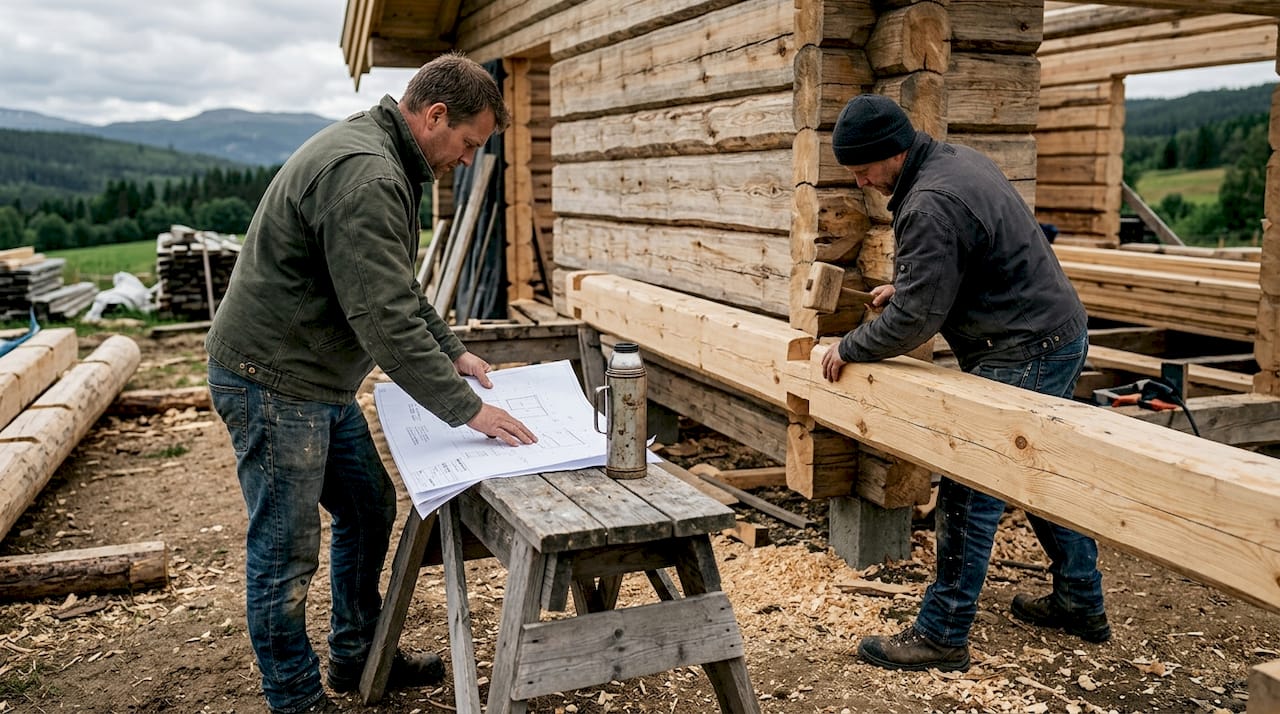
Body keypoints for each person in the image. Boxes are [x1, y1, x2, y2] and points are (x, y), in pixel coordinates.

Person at [205, 53, 538, 714]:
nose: (469, 160)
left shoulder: (388, 156)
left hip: (313, 379)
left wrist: (452, 353)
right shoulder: (367, 173)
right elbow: (382, 318)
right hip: (273, 379)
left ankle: (357, 657)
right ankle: (296, 699)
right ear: (435, 115)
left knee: (366, 506)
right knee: (285, 549)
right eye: (469, 143)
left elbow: (394, 286)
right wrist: (466, 409)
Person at [820, 94, 1109, 673]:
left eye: (863, 168)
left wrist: (848, 347)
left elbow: (915, 323)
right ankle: (1081, 601)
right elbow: (959, 264)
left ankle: (943, 633)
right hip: (1055, 331)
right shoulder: (954, 162)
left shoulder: (928, 202)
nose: (859, 181)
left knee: (970, 488)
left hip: (1024, 346)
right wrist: (908, 287)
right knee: (1037, 472)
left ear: (894, 152)